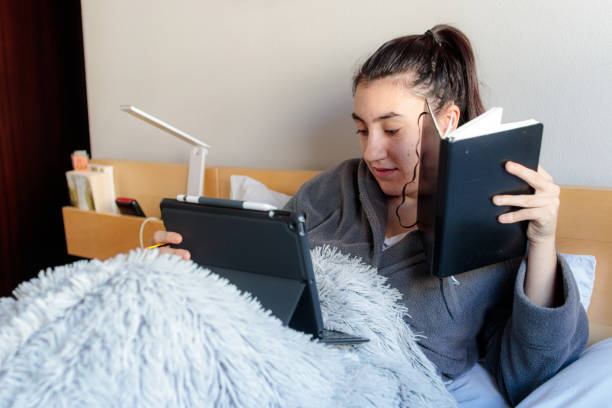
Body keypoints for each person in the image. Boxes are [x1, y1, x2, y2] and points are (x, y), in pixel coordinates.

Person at [150, 25, 588, 406]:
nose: (371, 151)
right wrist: (195, 272)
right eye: (362, 128)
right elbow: (262, 282)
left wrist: (542, 242)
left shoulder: (489, 228)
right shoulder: (332, 189)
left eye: (392, 129)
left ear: (447, 121)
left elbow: (533, 374)